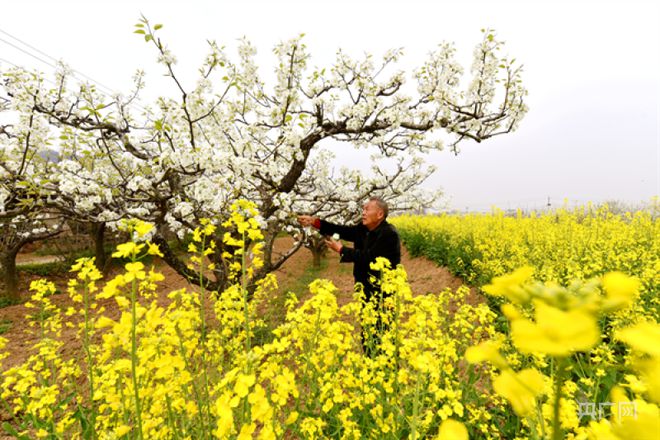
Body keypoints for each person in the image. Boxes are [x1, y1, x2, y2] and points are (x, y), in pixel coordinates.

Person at [297, 197, 401, 354]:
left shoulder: (389, 234)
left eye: (367, 209)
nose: (363, 213)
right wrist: (315, 222)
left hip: (382, 293)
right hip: (365, 288)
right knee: (368, 333)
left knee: (383, 333)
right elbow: (342, 231)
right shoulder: (364, 229)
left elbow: (370, 257)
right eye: (363, 209)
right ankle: (370, 366)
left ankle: (386, 371)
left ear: (379, 214)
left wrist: (341, 250)